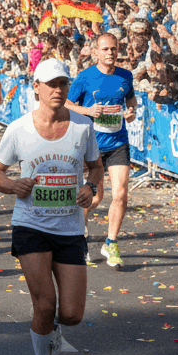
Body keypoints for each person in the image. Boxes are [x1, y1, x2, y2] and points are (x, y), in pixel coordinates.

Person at [0, 59, 103, 355]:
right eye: (50, 84)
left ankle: (53, 333)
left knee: (71, 314)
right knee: (45, 304)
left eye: (63, 84)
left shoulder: (82, 126)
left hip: (69, 228)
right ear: (35, 86)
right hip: (31, 226)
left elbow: (95, 168)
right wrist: (11, 186)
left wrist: (91, 189)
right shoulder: (19, 128)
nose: (57, 90)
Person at [65, 32, 136, 268]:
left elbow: (131, 99)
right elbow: (67, 103)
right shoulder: (85, 77)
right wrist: (88, 111)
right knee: (94, 198)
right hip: (91, 144)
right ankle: (81, 237)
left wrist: (131, 112)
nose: (110, 53)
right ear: (95, 52)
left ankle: (111, 242)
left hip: (118, 142)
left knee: (121, 194)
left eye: (113, 49)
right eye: (105, 49)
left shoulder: (126, 76)